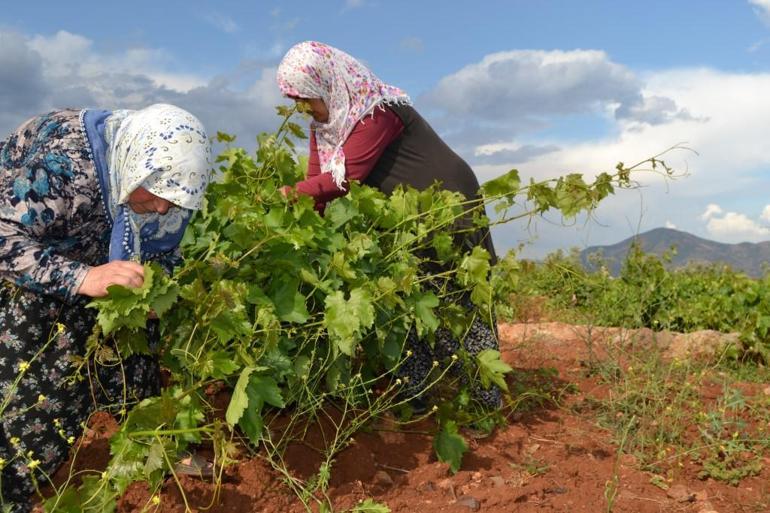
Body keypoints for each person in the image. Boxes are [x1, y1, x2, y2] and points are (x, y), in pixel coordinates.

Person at [0, 104, 212, 511]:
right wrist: (84, 279)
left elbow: (166, 253)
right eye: (159, 194)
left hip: (91, 249)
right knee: (41, 376)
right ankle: (13, 486)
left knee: (135, 347)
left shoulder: (159, 184)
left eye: (174, 197)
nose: (165, 208)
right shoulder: (66, 171)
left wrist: (153, 290)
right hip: (31, 255)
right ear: (135, 166)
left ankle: (158, 447)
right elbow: (5, 237)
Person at [276, 41, 502, 412]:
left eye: (307, 100)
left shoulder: (375, 110)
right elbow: (316, 180)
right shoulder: (326, 125)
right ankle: (415, 399)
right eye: (298, 103)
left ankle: (485, 402)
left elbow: (343, 178)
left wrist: (289, 195)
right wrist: (304, 234)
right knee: (407, 301)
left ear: (328, 84)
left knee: (457, 298)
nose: (305, 110)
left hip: (444, 201)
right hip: (403, 217)